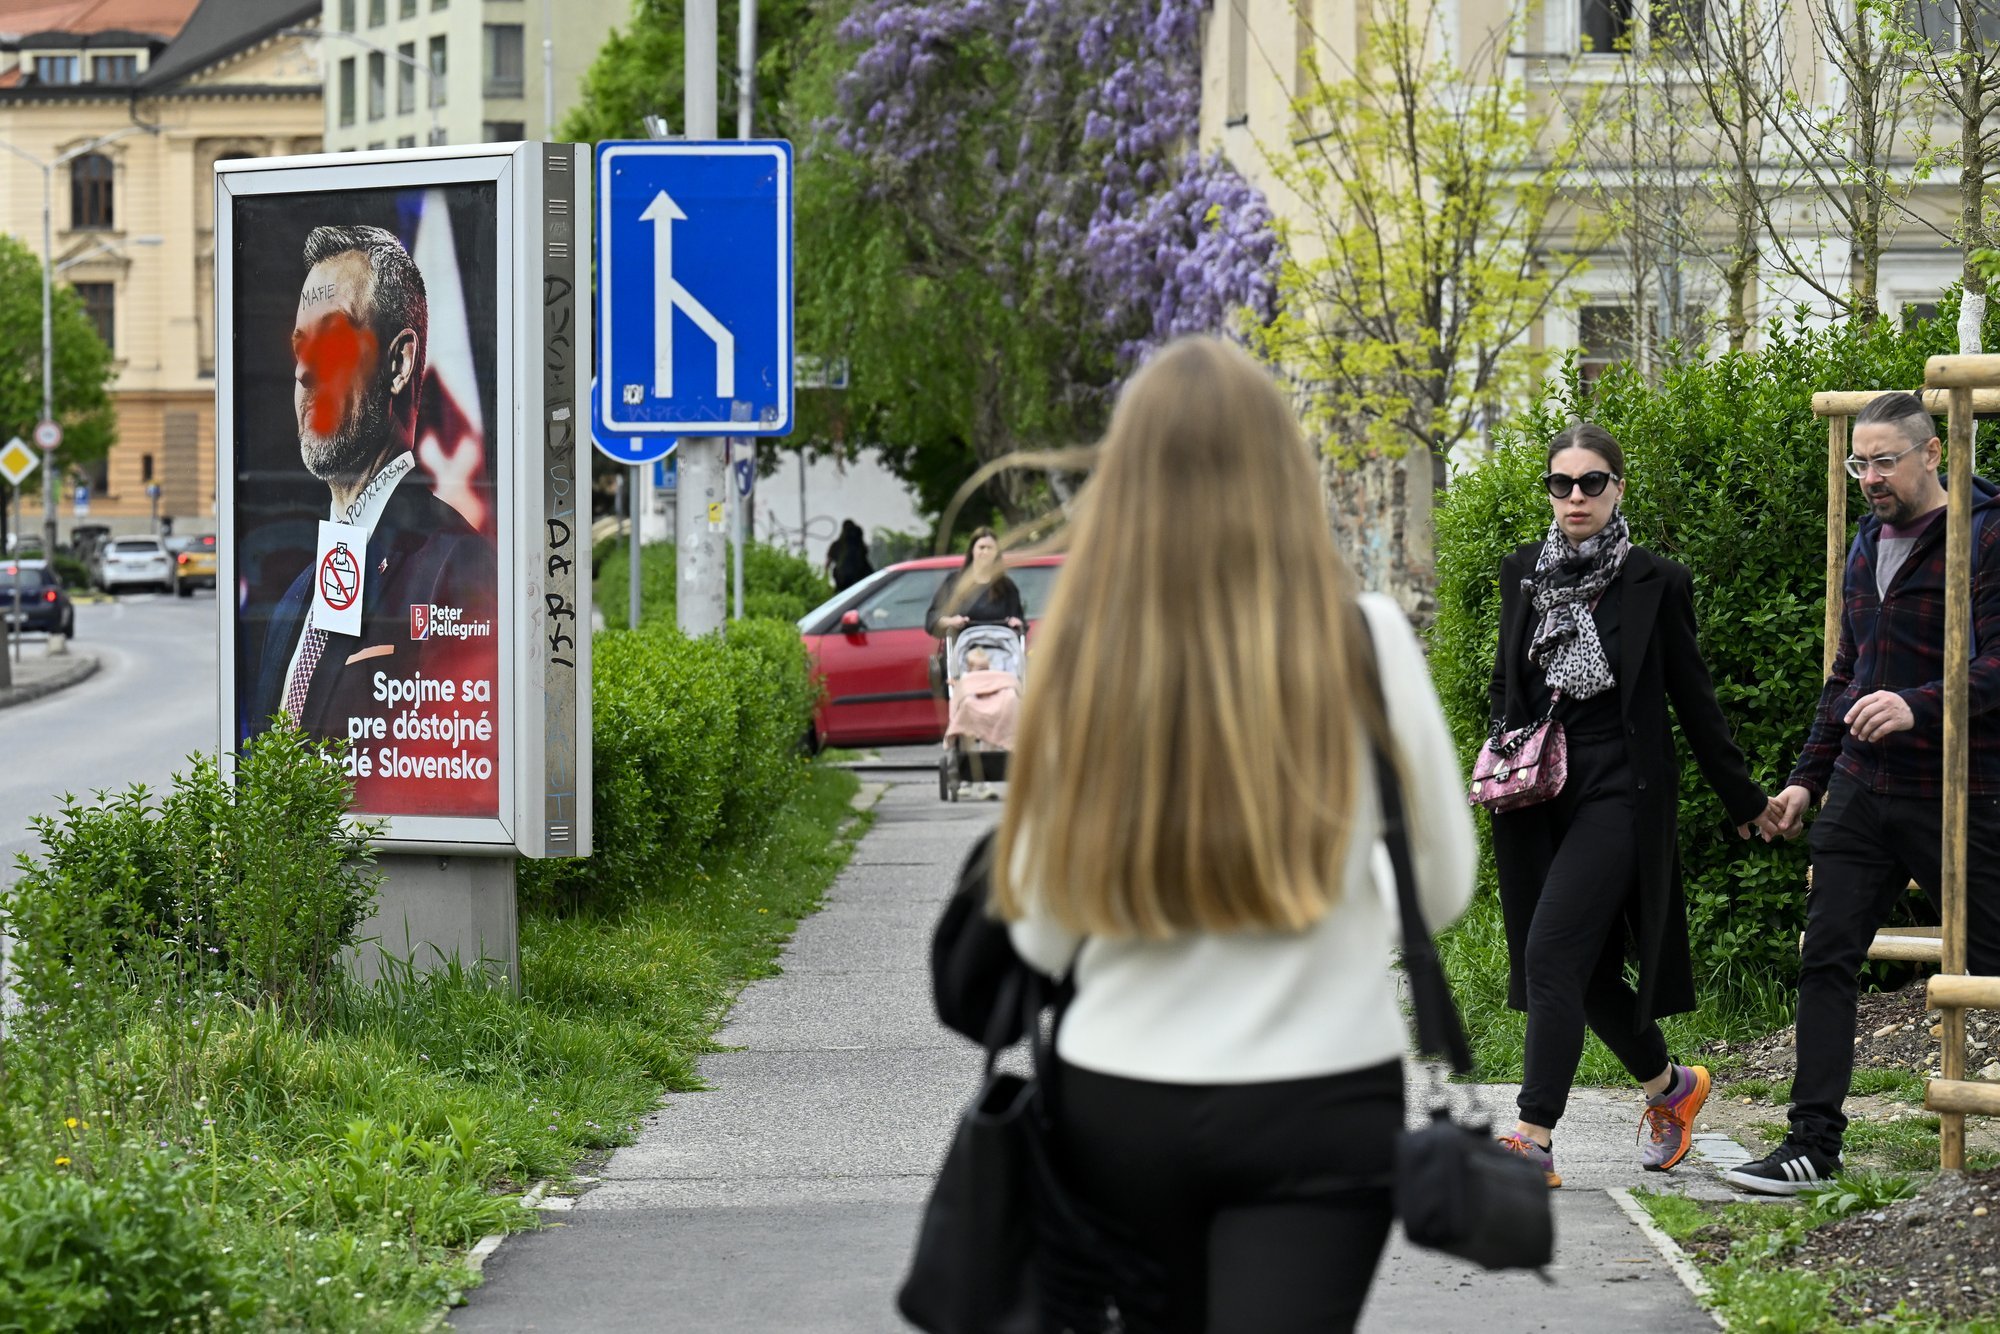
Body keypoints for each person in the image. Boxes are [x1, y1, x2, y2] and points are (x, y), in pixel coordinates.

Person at [990, 336, 1475, 1332]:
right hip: (1323, 1089)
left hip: (1120, 1096)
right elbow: (1442, 888)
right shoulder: (1365, 635)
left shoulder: (1078, 649)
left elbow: (1037, 933)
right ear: (1281, 475)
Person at [1487, 422, 1781, 1189]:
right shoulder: (1523, 572)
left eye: (1591, 483)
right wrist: (1498, 757)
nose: (1575, 497)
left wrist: (1744, 799)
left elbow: (1695, 702)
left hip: (1620, 794)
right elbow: (1504, 686)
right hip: (1536, 796)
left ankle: (1533, 1139)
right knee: (1579, 974)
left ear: (1619, 488)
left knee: (1550, 950)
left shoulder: (1656, 580)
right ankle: (1671, 1088)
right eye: (1561, 484)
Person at [1727, 391, 2000, 1195]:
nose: (1871, 477)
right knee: (1827, 957)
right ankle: (1813, 1142)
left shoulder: (1984, 537)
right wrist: (1806, 781)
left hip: (1958, 790)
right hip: (1859, 790)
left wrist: (1920, 702)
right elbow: (1844, 678)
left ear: (1934, 455)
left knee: (1991, 964)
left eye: (1886, 460)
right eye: (1861, 463)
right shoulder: (1864, 545)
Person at [248, 224, 495, 742]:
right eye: (299, 345)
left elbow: (457, 772)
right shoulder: (298, 595)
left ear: (400, 362)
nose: (304, 372)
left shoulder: (458, 564)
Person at [924, 525, 1025, 639]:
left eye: (990, 548)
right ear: (972, 550)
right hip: (961, 650)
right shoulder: (954, 582)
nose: (985, 552)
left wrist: (1017, 623)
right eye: (981, 547)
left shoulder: (1007, 586)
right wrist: (950, 621)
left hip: (999, 651)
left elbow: (1020, 622)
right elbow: (932, 620)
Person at [826, 518, 875, 592]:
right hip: (846, 581)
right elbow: (828, 563)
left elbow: (828, 564)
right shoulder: (838, 545)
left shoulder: (856, 545)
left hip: (858, 579)